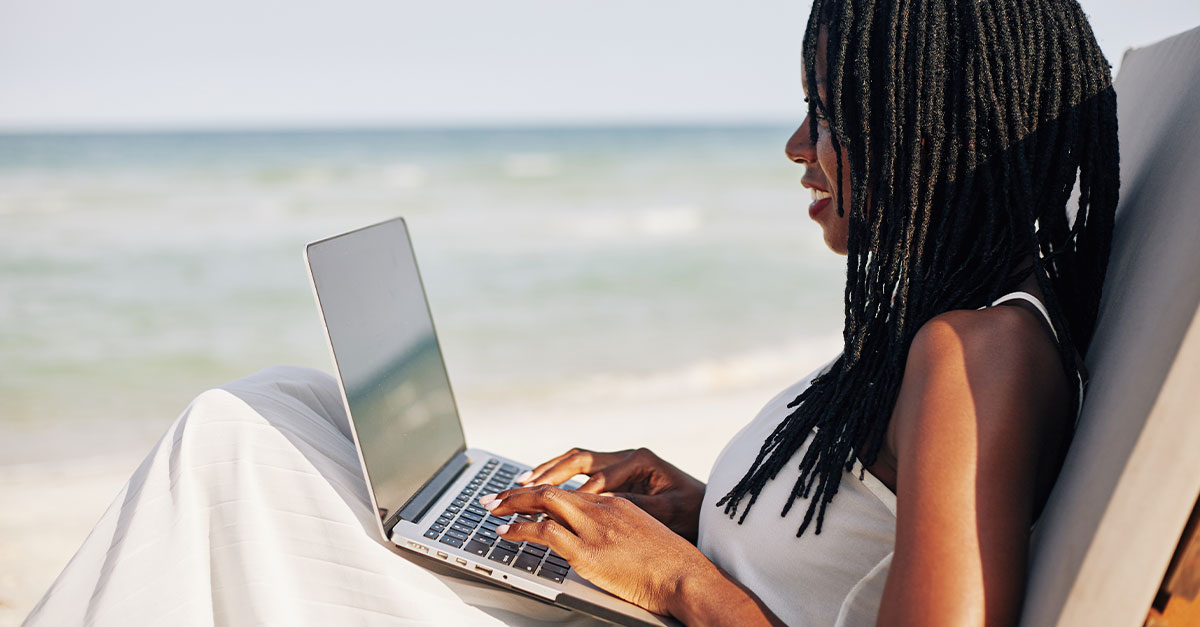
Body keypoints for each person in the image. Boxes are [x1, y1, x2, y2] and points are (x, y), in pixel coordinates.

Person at [27, 0, 1118, 625]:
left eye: (830, 116)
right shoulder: (957, 332)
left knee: (230, 453)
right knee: (286, 407)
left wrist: (678, 576)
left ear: (938, 127)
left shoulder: (979, 354)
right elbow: (870, 539)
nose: (797, 149)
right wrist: (705, 507)